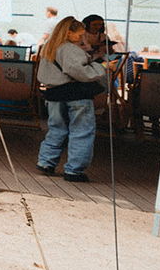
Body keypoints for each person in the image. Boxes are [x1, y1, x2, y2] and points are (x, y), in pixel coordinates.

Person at [36, 16, 116, 182]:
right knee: (81, 131)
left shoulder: (48, 48)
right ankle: (74, 170)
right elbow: (79, 71)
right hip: (76, 95)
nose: (81, 38)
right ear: (68, 33)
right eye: (79, 35)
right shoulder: (69, 49)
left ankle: (46, 161)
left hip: (54, 94)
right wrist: (102, 67)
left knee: (56, 129)